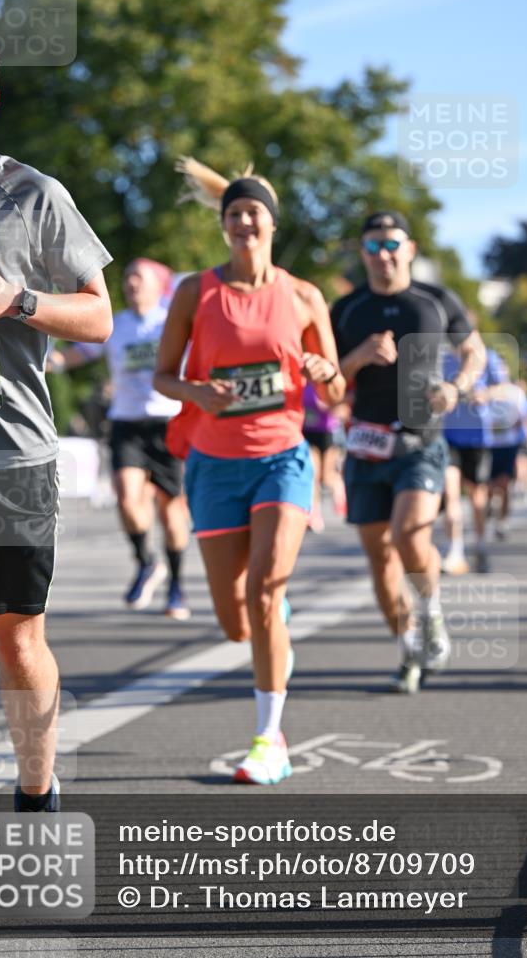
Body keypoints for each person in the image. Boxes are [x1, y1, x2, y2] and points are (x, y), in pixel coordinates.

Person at [0, 16, 113, 913]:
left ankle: (38, 797)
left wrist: (17, 299)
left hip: (12, 454)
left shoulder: (33, 197)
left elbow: (99, 315)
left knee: (14, 639)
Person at [154, 157, 345, 784]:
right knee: (237, 621)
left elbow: (337, 389)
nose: (243, 222)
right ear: (224, 224)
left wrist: (324, 374)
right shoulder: (194, 292)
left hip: (283, 460)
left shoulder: (304, 296)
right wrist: (195, 393)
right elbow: (161, 375)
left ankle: (269, 739)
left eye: (253, 212)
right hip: (213, 465)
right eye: (233, 213)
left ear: (271, 223)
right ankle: (270, 617)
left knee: (264, 593)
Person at [331, 210, 486, 694]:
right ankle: (409, 648)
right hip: (365, 445)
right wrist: (359, 357)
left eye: (392, 244)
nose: (384, 255)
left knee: (408, 535)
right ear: (363, 254)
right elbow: (328, 386)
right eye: (374, 247)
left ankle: (432, 615)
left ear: (410, 250)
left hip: (420, 441)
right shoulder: (347, 310)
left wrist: (457, 388)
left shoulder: (436, 302)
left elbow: (474, 352)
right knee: (380, 564)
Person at [49, 258, 190, 618]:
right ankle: (146, 561)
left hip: (169, 423)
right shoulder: (117, 323)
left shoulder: (172, 321)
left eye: (138, 277)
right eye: (127, 278)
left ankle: (176, 585)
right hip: (127, 422)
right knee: (127, 498)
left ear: (159, 285)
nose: (130, 283)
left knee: (171, 512)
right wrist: (56, 361)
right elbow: (86, 350)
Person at [441, 340, 508, 574]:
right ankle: (455, 550)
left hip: (477, 437)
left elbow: (505, 389)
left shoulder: (487, 356)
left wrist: (485, 394)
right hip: (446, 435)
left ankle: (480, 544)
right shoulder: (442, 357)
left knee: (476, 495)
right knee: (450, 493)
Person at [488, 378, 527, 539]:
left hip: (509, 444)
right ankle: (489, 509)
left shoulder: (516, 393)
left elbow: (525, 417)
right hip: (487, 445)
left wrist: (526, 437)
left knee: (504, 483)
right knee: (488, 485)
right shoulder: (483, 391)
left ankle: (502, 521)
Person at [302, 381, 348, 533]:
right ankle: (313, 513)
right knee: (312, 474)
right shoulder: (302, 382)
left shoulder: (326, 381)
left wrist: (331, 407)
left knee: (326, 476)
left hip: (328, 433)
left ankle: (340, 493)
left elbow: (344, 408)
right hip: (307, 432)